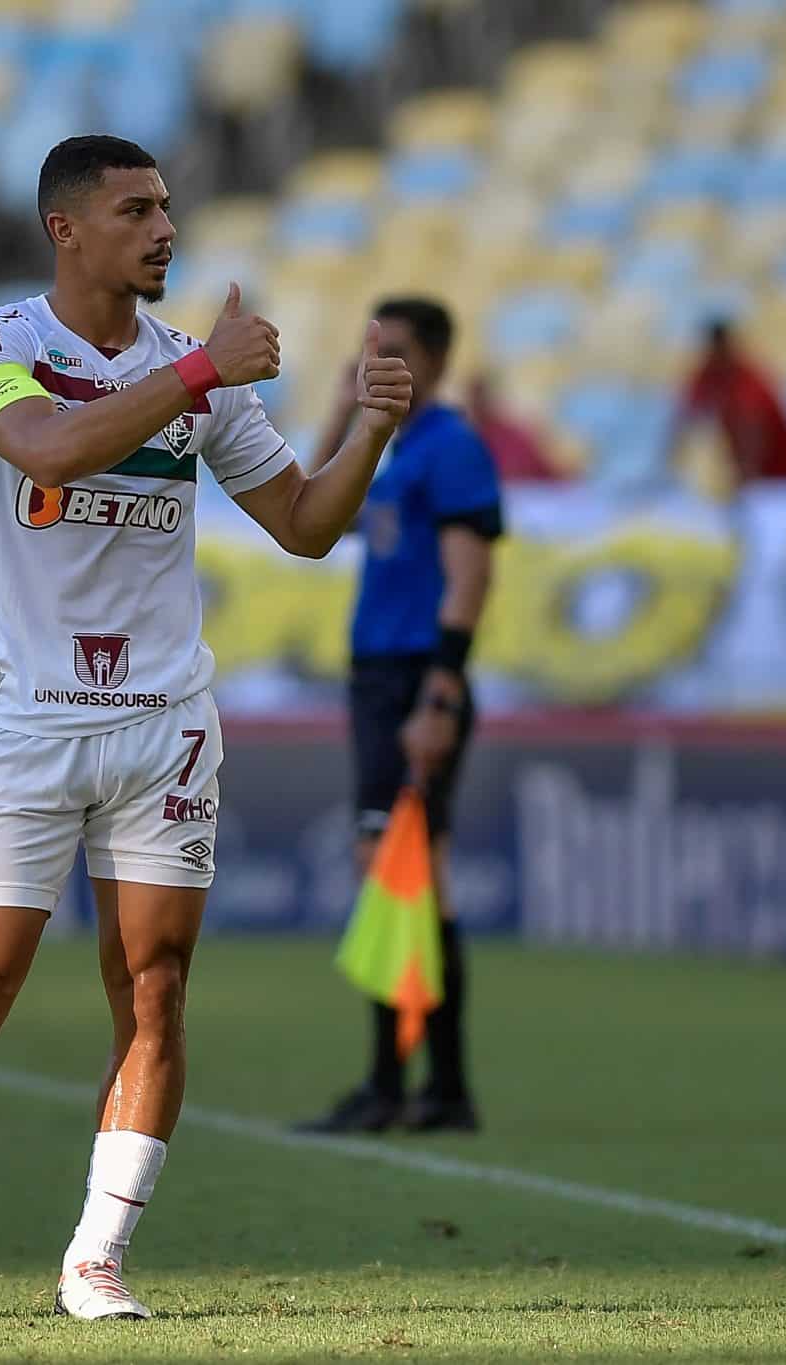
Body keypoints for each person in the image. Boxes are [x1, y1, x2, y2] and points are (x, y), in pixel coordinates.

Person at [0, 135, 413, 1324]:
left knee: (152, 990)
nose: (163, 229)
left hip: (164, 726)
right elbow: (49, 447)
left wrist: (366, 434)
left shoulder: (194, 377)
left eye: (167, 207)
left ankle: (96, 1260)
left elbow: (305, 526)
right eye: (134, 209)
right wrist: (203, 371)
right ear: (67, 229)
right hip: (25, 725)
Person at [295, 298, 502, 1136]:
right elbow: (310, 505)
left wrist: (441, 693)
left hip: (416, 677)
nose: (381, 363)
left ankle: (406, 1084)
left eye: (400, 352)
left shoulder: (450, 447)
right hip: (378, 677)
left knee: (402, 868)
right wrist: (347, 407)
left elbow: (471, 576)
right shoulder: (394, 447)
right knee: (396, 867)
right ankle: (433, 1087)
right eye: (369, 347)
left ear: (441, 361)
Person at [664, 317, 786, 484]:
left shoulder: (749, 380)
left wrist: (746, 477)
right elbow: (685, 416)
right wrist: (668, 467)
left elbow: (753, 432)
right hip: (755, 479)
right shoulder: (710, 375)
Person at [466, 373, 565, 482]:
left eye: (484, 396)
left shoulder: (512, 436)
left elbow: (546, 472)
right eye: (476, 397)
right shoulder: (463, 440)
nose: (480, 403)